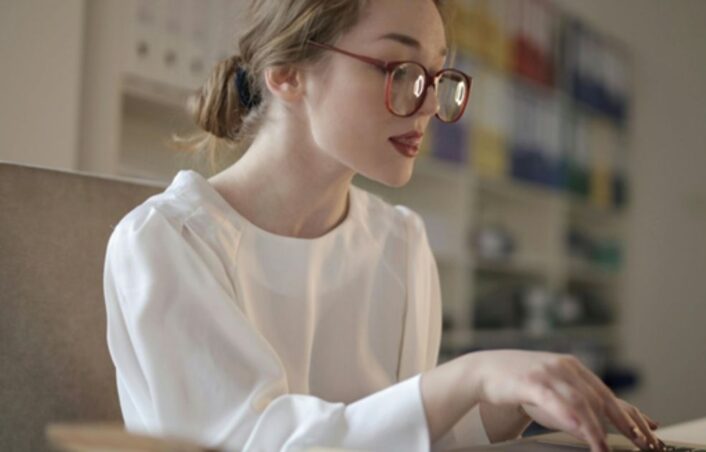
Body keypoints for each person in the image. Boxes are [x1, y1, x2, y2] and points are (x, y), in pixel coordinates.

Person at [103, 0, 664, 451]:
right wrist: (469, 375)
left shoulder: (401, 240)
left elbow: (401, 436)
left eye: (437, 77)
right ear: (287, 74)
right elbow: (256, 443)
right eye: (401, 70)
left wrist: (512, 397)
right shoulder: (166, 243)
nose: (425, 107)